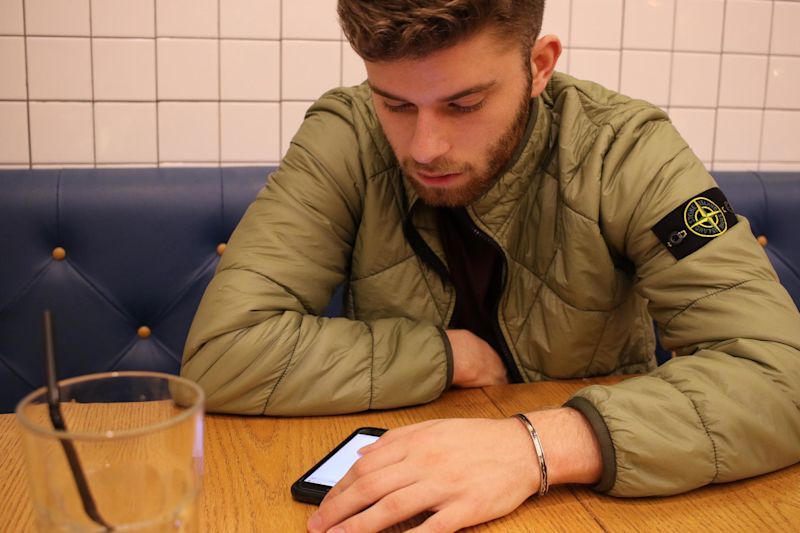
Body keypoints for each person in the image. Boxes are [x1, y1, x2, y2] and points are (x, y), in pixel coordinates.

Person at [181, 1, 800, 531]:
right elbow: (223, 353)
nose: (425, 148)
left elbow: (781, 375)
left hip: (600, 495)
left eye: (465, 104)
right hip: (397, 490)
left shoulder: (627, 149)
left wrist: (537, 444)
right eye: (395, 105)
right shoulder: (346, 133)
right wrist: (446, 355)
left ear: (538, 66)